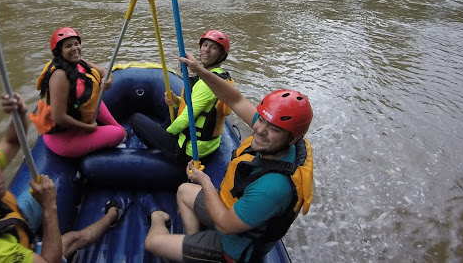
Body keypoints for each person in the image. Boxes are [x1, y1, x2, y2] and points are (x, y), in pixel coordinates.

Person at [142, 53, 314, 263]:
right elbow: (235, 98)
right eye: (261, 119)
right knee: (183, 190)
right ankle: (192, 243)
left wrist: (203, 180)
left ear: (292, 137)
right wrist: (201, 71)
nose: (259, 130)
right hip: (231, 209)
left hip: (233, 248)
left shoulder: (273, 187)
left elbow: (224, 224)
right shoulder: (285, 139)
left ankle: (158, 218)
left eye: (274, 129)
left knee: (152, 243)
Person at [0, 92, 128, 263]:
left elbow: (12, 140)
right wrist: (49, 207)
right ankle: (113, 214)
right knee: (70, 240)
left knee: (38, 191)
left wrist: (19, 113)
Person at [129, 30, 234, 164]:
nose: (206, 50)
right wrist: (177, 101)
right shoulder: (220, 77)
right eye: (205, 45)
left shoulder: (207, 85)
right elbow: (202, 108)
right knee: (173, 110)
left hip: (189, 150)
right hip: (207, 144)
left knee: (135, 118)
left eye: (214, 48)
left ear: (221, 55)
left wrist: (163, 135)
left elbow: (186, 119)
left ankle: (156, 149)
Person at [29, 27, 126, 158]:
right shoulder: (59, 75)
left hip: (78, 115)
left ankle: (116, 130)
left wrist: (108, 81)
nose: (75, 48)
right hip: (64, 138)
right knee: (118, 134)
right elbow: (59, 117)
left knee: (117, 126)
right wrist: (88, 128)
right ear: (59, 51)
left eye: (76, 44)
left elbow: (104, 71)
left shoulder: (79, 62)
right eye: (68, 46)